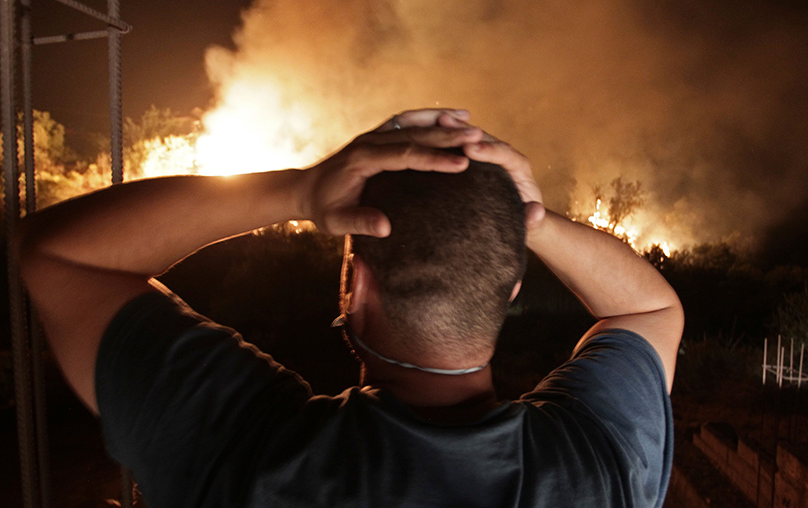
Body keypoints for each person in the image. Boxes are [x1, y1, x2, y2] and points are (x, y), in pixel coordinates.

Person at [17, 108, 683, 507]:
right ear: (509, 291)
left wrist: (302, 190)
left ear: (355, 287)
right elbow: (650, 313)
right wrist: (526, 220)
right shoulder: (597, 466)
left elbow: (62, 255)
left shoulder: (245, 452)